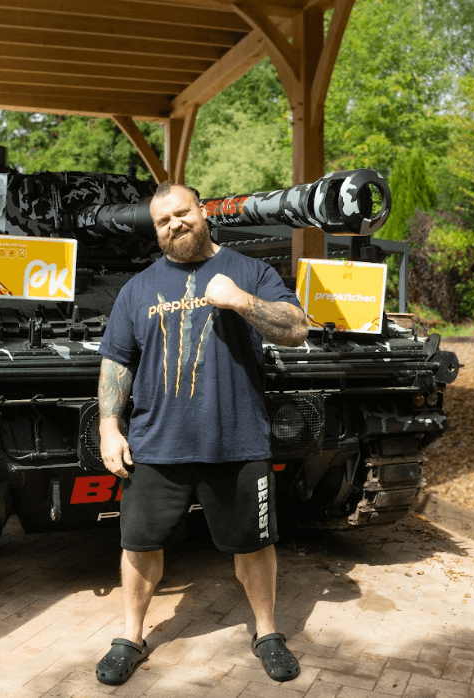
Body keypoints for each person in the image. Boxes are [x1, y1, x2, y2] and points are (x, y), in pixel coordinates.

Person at [94, 182, 308, 686]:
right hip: (156, 444)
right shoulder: (138, 288)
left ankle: (268, 633)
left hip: (236, 440)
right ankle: (130, 637)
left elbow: (296, 327)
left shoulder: (249, 271)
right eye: (163, 220)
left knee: (254, 545)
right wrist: (108, 426)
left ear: (202, 211)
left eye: (182, 213)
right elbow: (116, 360)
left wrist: (241, 302)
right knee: (140, 544)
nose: (175, 224)